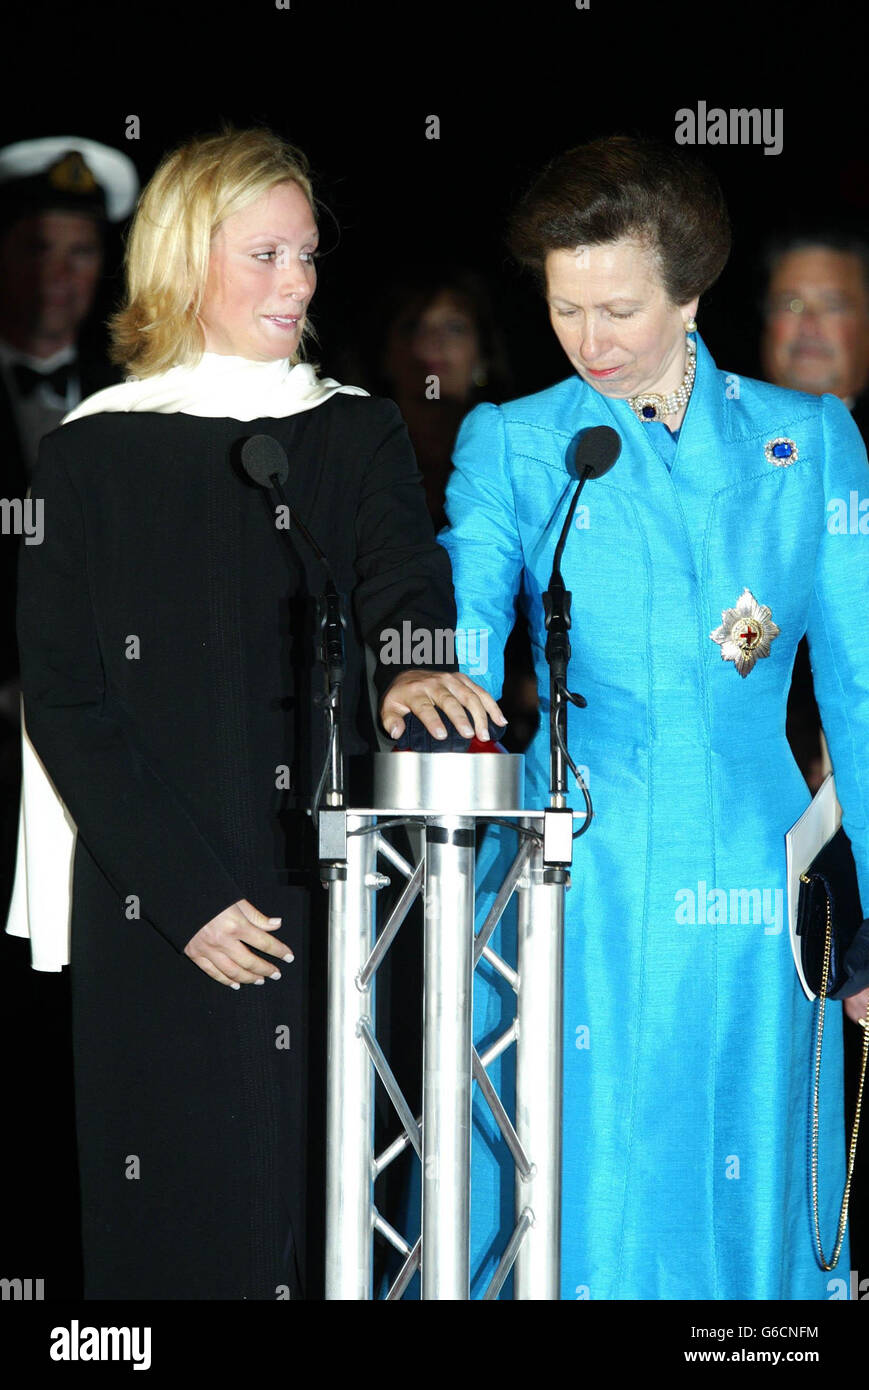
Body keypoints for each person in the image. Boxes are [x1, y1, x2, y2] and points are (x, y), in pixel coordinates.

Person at [12, 126, 504, 1301]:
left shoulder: (353, 426)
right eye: (267, 254)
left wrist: (406, 664)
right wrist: (178, 900)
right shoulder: (86, 457)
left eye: (309, 255)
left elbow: (403, 581)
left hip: (327, 882)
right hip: (157, 895)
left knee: (330, 1207)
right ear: (186, 262)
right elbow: (68, 698)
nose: (299, 283)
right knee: (175, 1223)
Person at [439, 135, 869, 1300]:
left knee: (741, 1169)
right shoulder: (515, 443)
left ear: (690, 294)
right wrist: (432, 676)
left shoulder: (808, 441)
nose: (588, 340)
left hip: (753, 863)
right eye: (563, 306)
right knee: (588, 1174)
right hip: (571, 867)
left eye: (618, 308)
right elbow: (464, 642)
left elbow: (859, 693)